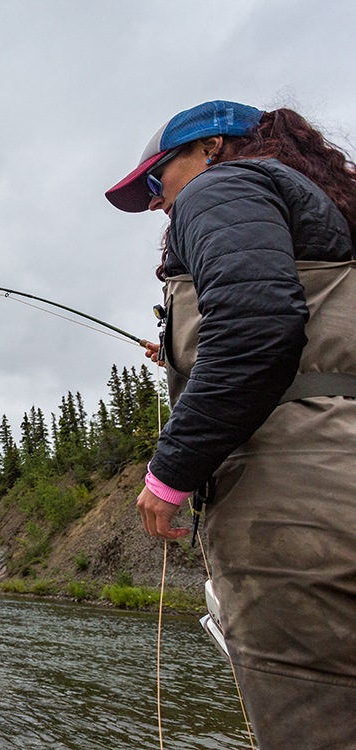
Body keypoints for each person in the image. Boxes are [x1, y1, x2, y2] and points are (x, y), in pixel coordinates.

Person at [105, 100, 356, 747]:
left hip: (296, 507)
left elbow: (254, 330)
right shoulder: (312, 209)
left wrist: (168, 473)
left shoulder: (222, 187)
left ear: (212, 147)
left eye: (157, 180)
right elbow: (301, 332)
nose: (157, 202)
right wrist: (182, 349)